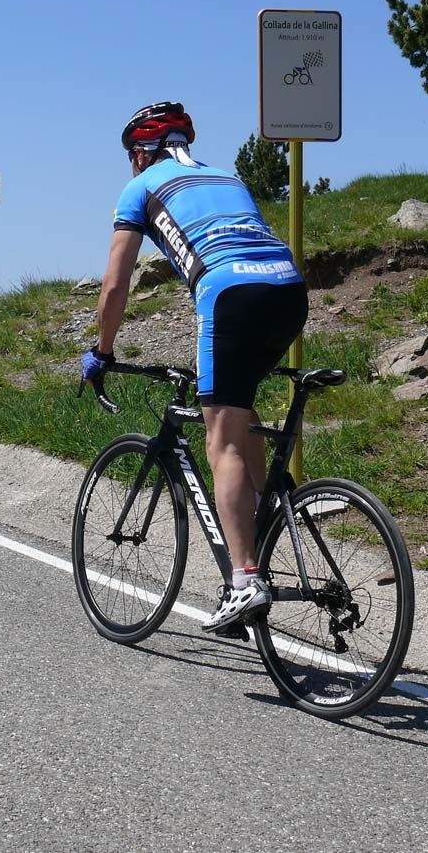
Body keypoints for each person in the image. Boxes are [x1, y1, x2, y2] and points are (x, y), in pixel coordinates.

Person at [81, 101, 308, 632]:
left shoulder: (138, 189)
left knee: (219, 441)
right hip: (289, 291)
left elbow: (116, 286)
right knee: (237, 411)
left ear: (141, 153)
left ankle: (245, 579)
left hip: (229, 294)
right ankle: (273, 518)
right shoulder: (226, 175)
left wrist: (104, 350)